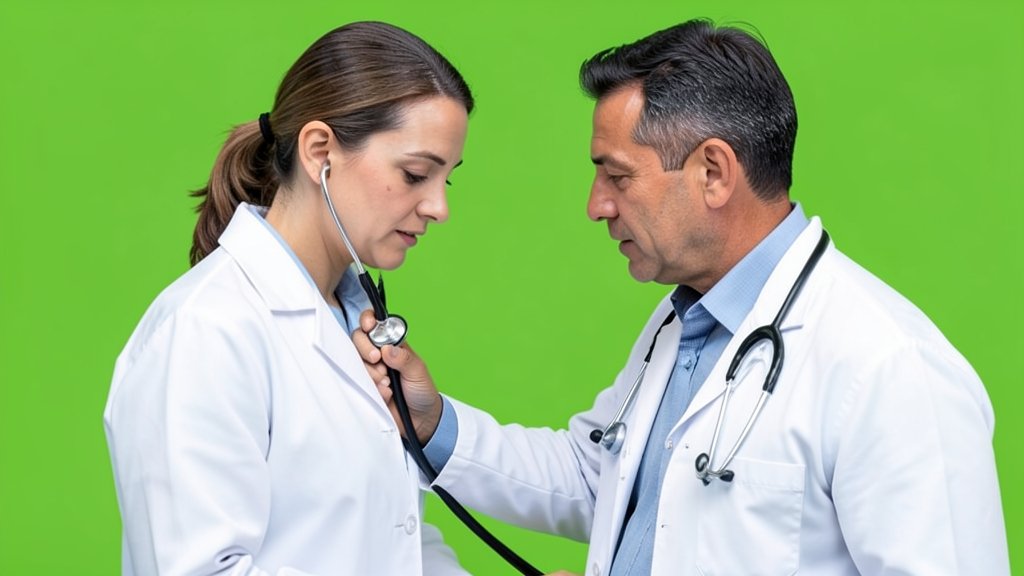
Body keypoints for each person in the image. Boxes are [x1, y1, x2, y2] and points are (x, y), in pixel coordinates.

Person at [355, 18, 1010, 576]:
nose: (595, 207)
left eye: (617, 177)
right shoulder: (684, 322)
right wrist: (431, 422)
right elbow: (600, 480)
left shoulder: (891, 368)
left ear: (714, 173)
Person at [103, 21, 473, 576]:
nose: (438, 207)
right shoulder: (207, 329)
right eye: (416, 174)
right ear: (320, 150)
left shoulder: (352, 322)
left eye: (448, 179)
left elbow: (395, 539)